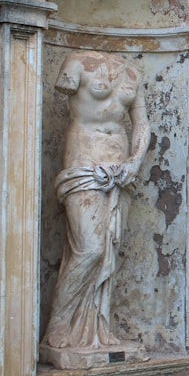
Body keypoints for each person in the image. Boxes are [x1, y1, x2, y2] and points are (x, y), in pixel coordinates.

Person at [41, 50, 150, 358]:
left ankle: (97, 329)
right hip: (84, 163)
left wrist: (135, 162)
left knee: (108, 254)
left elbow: (141, 124)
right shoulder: (75, 61)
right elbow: (64, 89)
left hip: (120, 171)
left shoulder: (133, 73)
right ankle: (58, 327)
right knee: (90, 249)